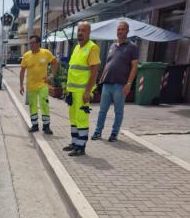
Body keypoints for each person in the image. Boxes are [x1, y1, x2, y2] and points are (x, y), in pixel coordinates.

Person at [92, 21, 139, 142]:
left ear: (127, 31)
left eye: (122, 29)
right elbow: (108, 64)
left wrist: (129, 84)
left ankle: (114, 134)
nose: (120, 31)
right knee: (102, 110)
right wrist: (101, 80)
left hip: (120, 85)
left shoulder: (132, 47)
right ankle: (97, 132)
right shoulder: (112, 46)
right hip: (107, 84)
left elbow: (134, 67)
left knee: (118, 111)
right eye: (118, 29)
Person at [63, 22, 100, 156]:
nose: (80, 32)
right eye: (79, 30)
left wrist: (87, 91)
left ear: (89, 32)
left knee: (81, 118)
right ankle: (74, 142)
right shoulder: (77, 47)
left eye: (83, 30)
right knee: (73, 118)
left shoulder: (92, 48)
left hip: (82, 92)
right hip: (72, 91)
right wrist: (67, 89)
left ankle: (81, 146)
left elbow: (94, 71)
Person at [20, 35, 59, 134]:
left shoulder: (45, 53)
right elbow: (22, 71)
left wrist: (51, 76)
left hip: (42, 85)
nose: (31, 45)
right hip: (31, 86)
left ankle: (46, 126)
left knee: (44, 104)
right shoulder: (26, 55)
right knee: (32, 106)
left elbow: (55, 63)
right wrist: (21, 85)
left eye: (33, 43)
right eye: (30, 43)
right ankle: (35, 125)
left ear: (38, 44)